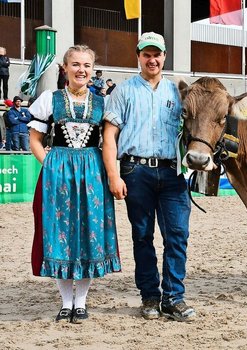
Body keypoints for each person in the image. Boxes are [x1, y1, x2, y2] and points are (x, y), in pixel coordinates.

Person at [102, 32, 195, 322]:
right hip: (135, 171)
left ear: (164, 57)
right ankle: (150, 298)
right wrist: (114, 176)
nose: (152, 59)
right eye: (146, 54)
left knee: (177, 236)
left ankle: (174, 298)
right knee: (142, 236)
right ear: (138, 57)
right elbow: (109, 136)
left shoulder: (178, 94)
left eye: (157, 54)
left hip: (172, 172)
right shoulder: (123, 91)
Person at [27, 45, 121, 324]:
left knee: (89, 232)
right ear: (65, 68)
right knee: (61, 233)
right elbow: (34, 139)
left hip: (92, 173)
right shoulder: (49, 99)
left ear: (93, 70)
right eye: (76, 64)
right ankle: (66, 302)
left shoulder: (104, 103)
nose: (82, 70)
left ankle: (81, 301)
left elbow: (110, 142)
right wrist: (51, 164)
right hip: (58, 175)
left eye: (87, 65)